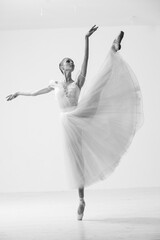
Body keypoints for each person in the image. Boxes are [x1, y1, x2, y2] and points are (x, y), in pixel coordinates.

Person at [6, 26, 144, 221]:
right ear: (62, 67)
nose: (70, 62)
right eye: (66, 61)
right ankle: (81, 200)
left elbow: (86, 61)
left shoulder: (77, 82)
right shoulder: (54, 84)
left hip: (80, 114)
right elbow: (36, 93)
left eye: (71, 61)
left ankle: (113, 49)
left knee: (98, 87)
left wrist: (86, 39)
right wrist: (19, 93)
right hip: (67, 122)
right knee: (77, 161)